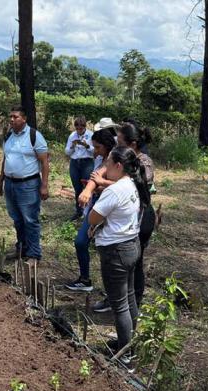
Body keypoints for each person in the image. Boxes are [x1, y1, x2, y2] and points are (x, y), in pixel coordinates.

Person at [88, 145, 151, 361]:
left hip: (116, 251)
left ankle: (125, 356)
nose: (105, 166)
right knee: (129, 298)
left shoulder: (115, 190)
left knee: (120, 304)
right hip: (131, 246)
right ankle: (128, 343)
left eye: (108, 162)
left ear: (118, 165)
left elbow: (93, 217)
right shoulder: (131, 183)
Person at [91, 122, 156, 313]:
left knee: (134, 263)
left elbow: (132, 186)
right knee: (124, 266)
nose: (115, 145)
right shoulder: (122, 157)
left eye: (119, 141)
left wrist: (103, 183)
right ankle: (119, 300)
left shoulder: (143, 162)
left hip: (141, 215)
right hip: (129, 214)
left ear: (132, 143)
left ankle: (132, 304)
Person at [64, 123, 117, 292]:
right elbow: (96, 176)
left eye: (98, 147)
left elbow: (125, 184)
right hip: (97, 204)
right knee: (81, 241)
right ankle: (85, 279)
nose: (95, 150)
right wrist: (92, 187)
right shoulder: (101, 159)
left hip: (113, 209)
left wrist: (99, 186)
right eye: (94, 147)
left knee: (110, 250)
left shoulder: (117, 160)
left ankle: (114, 291)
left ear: (107, 145)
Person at [2, 106, 49, 264]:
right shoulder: (8, 135)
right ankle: (21, 249)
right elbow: (5, 158)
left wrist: (44, 185)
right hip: (10, 184)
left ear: (24, 119)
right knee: (17, 219)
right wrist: (1, 180)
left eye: (15, 117)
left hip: (28, 184)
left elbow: (44, 162)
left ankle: (34, 254)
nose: (12, 119)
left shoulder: (34, 136)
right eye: (10, 116)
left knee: (30, 220)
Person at [64, 116, 94, 221]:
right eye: (77, 128)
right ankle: (78, 211)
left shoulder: (90, 135)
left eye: (81, 128)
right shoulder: (72, 135)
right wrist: (72, 146)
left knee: (87, 187)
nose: (79, 130)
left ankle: (88, 212)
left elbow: (95, 151)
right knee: (77, 188)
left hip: (87, 162)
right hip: (75, 162)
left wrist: (87, 146)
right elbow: (67, 152)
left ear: (85, 126)